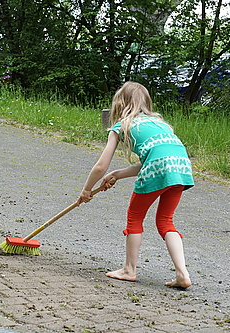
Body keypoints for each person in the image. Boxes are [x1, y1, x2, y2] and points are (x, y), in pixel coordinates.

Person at [77, 81, 194, 288]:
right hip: (181, 167)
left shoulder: (121, 126)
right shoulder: (160, 124)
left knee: (135, 217)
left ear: (119, 104)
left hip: (161, 168)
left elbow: (100, 166)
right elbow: (156, 160)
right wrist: (118, 174)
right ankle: (182, 274)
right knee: (166, 221)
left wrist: (86, 189)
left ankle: (129, 269)